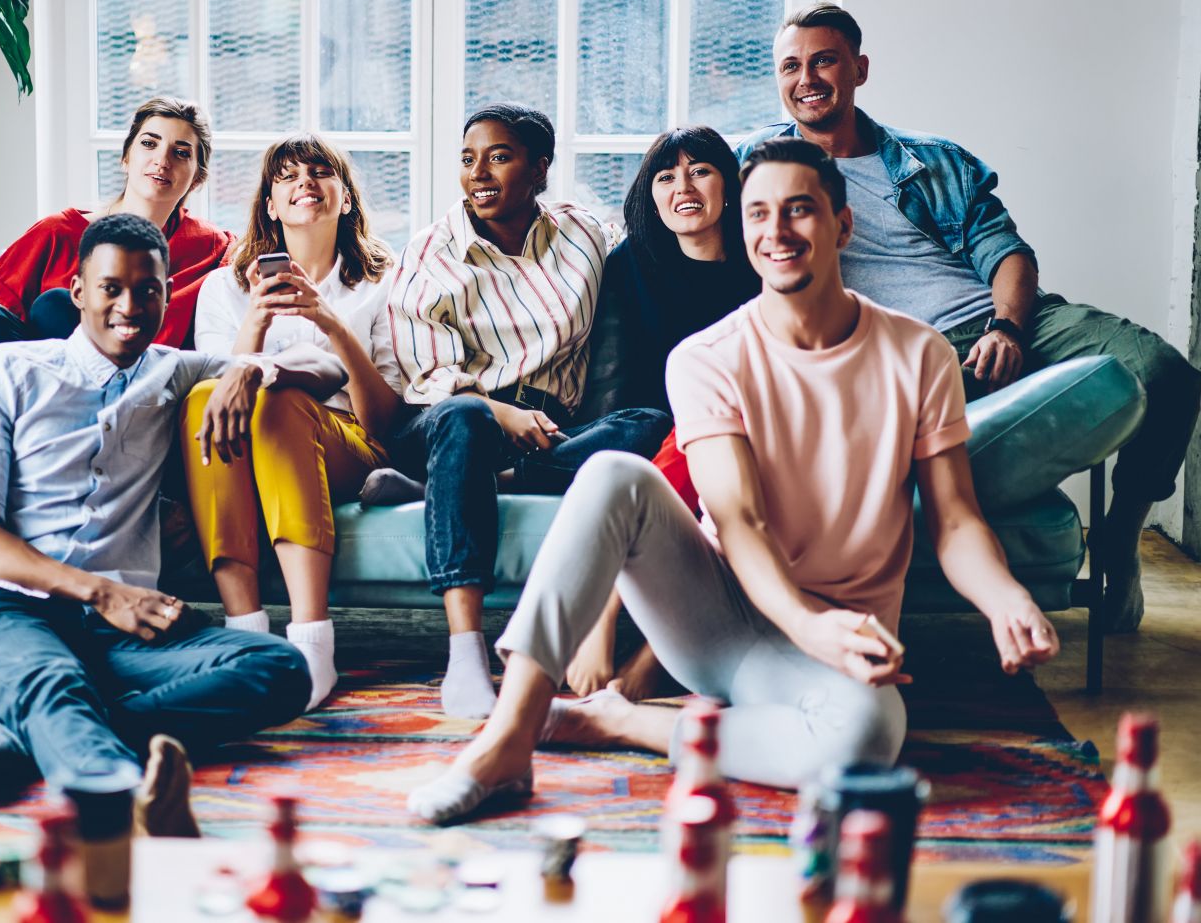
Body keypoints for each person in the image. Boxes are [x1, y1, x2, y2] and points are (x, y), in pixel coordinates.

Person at [407, 137, 1061, 825]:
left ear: (843, 223)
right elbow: (739, 520)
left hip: (843, 640)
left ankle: (618, 723)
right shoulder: (706, 359)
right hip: (719, 622)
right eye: (758, 214)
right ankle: (508, 738)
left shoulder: (919, 355)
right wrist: (807, 623)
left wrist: (1005, 598)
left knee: (870, 737)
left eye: (799, 210)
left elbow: (955, 520)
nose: (775, 232)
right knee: (611, 475)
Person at [737, 2, 1201, 632]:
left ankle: (1119, 540)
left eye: (824, 60)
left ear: (859, 69)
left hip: (1008, 319)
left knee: (1164, 372)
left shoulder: (932, 160)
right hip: (906, 350)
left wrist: (1006, 327)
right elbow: (684, 214)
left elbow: (1007, 254)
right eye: (790, 66)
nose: (807, 78)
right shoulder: (757, 168)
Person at [0, 214, 343, 826]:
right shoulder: (6, 372)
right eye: (111, 288)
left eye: (148, 290)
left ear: (165, 291)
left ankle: (25, 735)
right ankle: (120, 804)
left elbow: (328, 367)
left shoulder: (169, 370)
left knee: (280, 667)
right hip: (1, 608)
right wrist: (103, 592)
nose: (130, 306)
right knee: (51, 678)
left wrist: (249, 369)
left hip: (118, 633)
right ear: (78, 293)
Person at [383, 103, 670, 719]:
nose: (478, 173)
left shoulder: (583, 233)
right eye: (467, 159)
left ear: (541, 169)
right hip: (451, 417)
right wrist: (496, 412)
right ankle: (466, 651)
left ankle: (490, 481)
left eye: (500, 156)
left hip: (550, 435)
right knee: (466, 421)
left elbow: (653, 246)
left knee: (649, 423)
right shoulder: (431, 252)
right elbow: (424, 376)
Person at [183, 135, 404, 710]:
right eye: (287, 177)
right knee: (205, 397)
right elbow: (217, 386)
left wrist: (331, 323)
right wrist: (255, 327)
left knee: (280, 400)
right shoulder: (223, 287)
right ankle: (247, 632)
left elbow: (383, 420)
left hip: (346, 445)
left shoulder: (386, 282)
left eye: (319, 172)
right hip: (245, 449)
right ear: (270, 206)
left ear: (346, 198)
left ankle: (311, 641)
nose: (304, 182)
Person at [566, 126, 762, 700]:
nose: (685, 187)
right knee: (653, 433)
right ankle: (604, 626)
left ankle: (647, 651)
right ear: (650, 194)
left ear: (730, 182)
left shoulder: (763, 255)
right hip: (655, 424)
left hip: (746, 422)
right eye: (666, 175)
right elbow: (614, 383)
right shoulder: (631, 263)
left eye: (700, 170)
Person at [0, 96, 232, 362]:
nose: (162, 160)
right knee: (50, 308)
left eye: (181, 153)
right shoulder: (56, 233)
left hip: (135, 388)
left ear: (197, 178)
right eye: (148, 144)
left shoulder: (211, 247)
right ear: (126, 158)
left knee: (60, 306)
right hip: (35, 382)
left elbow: (258, 260)